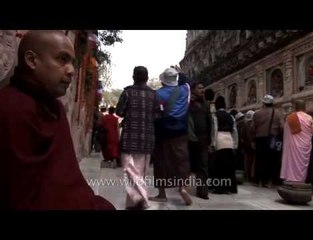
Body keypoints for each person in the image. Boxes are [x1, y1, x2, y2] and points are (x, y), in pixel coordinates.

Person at [0, 30, 115, 210]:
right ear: (32, 60)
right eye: (62, 59)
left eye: (72, 63)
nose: (71, 71)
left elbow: (68, 181)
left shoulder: (55, 109)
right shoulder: (10, 108)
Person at [149, 67, 192, 205]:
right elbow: (187, 81)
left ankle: (162, 194)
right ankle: (183, 188)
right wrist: (180, 72)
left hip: (163, 133)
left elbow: (154, 113)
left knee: (161, 162)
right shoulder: (184, 90)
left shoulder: (158, 94)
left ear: (163, 81)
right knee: (182, 160)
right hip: (181, 132)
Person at [116, 66, 157, 210]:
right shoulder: (154, 95)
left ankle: (136, 199)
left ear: (133, 77)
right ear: (146, 78)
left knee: (130, 171)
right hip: (147, 139)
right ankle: (136, 202)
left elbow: (119, 112)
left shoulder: (127, 92)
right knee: (141, 172)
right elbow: (157, 115)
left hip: (130, 139)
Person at [253, 94, 284, 187]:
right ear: (272, 103)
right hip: (272, 139)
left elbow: (252, 128)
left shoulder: (257, 113)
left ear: (263, 103)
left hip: (259, 139)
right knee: (271, 160)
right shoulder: (277, 113)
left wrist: (252, 140)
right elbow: (282, 127)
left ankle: (258, 180)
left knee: (259, 159)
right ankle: (268, 181)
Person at [280, 100, 313, 182]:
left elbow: (285, 131)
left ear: (295, 108)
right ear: (305, 108)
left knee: (292, 162)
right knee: (302, 164)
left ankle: (290, 178)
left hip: (293, 146)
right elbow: (312, 131)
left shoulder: (291, 117)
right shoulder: (309, 118)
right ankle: (300, 180)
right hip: (305, 145)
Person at [210, 96, 238, 194]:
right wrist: (235, 144)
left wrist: (213, 143)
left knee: (219, 165)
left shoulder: (215, 115)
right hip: (229, 139)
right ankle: (230, 187)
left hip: (219, 138)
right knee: (229, 165)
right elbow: (234, 130)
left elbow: (214, 129)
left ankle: (219, 188)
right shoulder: (230, 116)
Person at [188, 81, 211, 199]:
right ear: (193, 90)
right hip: (191, 139)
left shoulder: (206, 105)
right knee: (188, 165)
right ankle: (183, 188)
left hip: (203, 139)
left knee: (203, 165)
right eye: (199, 88)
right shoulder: (188, 103)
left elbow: (210, 122)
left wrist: (210, 139)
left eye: (203, 88)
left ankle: (203, 191)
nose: (202, 90)